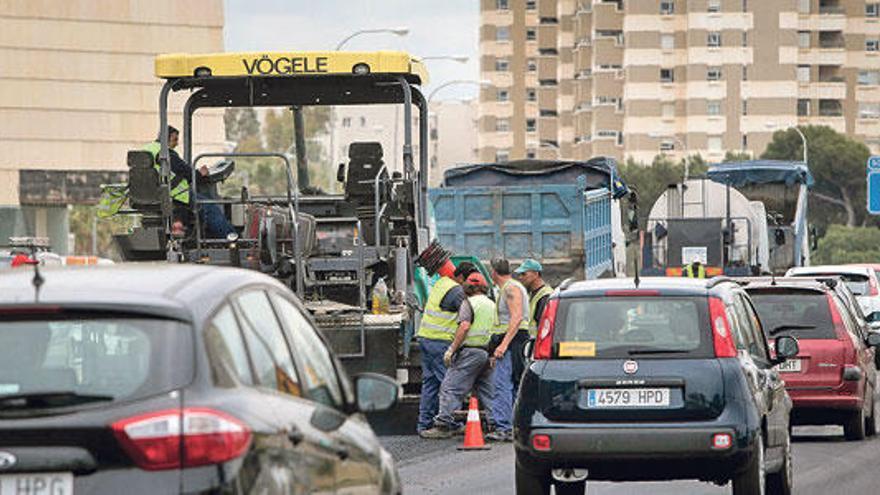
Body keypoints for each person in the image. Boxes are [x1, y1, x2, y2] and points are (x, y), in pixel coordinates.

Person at [420, 272, 496, 439]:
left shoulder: (468, 303)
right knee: (487, 390)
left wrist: (452, 349)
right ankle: (495, 424)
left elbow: (464, 327)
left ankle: (444, 424)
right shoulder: (491, 304)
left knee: (450, 387)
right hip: (485, 352)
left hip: (469, 352)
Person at [416, 261, 478, 437]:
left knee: (430, 384)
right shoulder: (456, 291)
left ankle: (424, 423)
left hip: (426, 338)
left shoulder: (442, 282)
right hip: (440, 342)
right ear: (460, 277)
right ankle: (448, 423)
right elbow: (468, 315)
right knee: (450, 383)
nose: (469, 285)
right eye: (468, 281)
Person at [145, 126, 235, 238]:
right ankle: (231, 237)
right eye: (175, 140)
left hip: (150, 194)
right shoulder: (165, 153)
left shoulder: (147, 149)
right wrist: (200, 173)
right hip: (174, 194)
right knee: (210, 207)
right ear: (168, 138)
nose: (176, 144)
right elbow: (186, 172)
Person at [486, 258, 530, 442]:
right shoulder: (509, 288)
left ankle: (504, 427)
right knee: (510, 385)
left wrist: (503, 345)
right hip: (512, 341)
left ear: (494, 272)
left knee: (501, 385)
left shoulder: (511, 289)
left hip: (512, 342)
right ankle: (512, 425)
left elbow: (516, 317)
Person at [514, 258, 554, 376]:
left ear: (536, 274)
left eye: (524, 274)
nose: (520, 278)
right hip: (531, 347)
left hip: (538, 348)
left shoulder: (545, 296)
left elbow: (545, 326)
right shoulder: (532, 294)